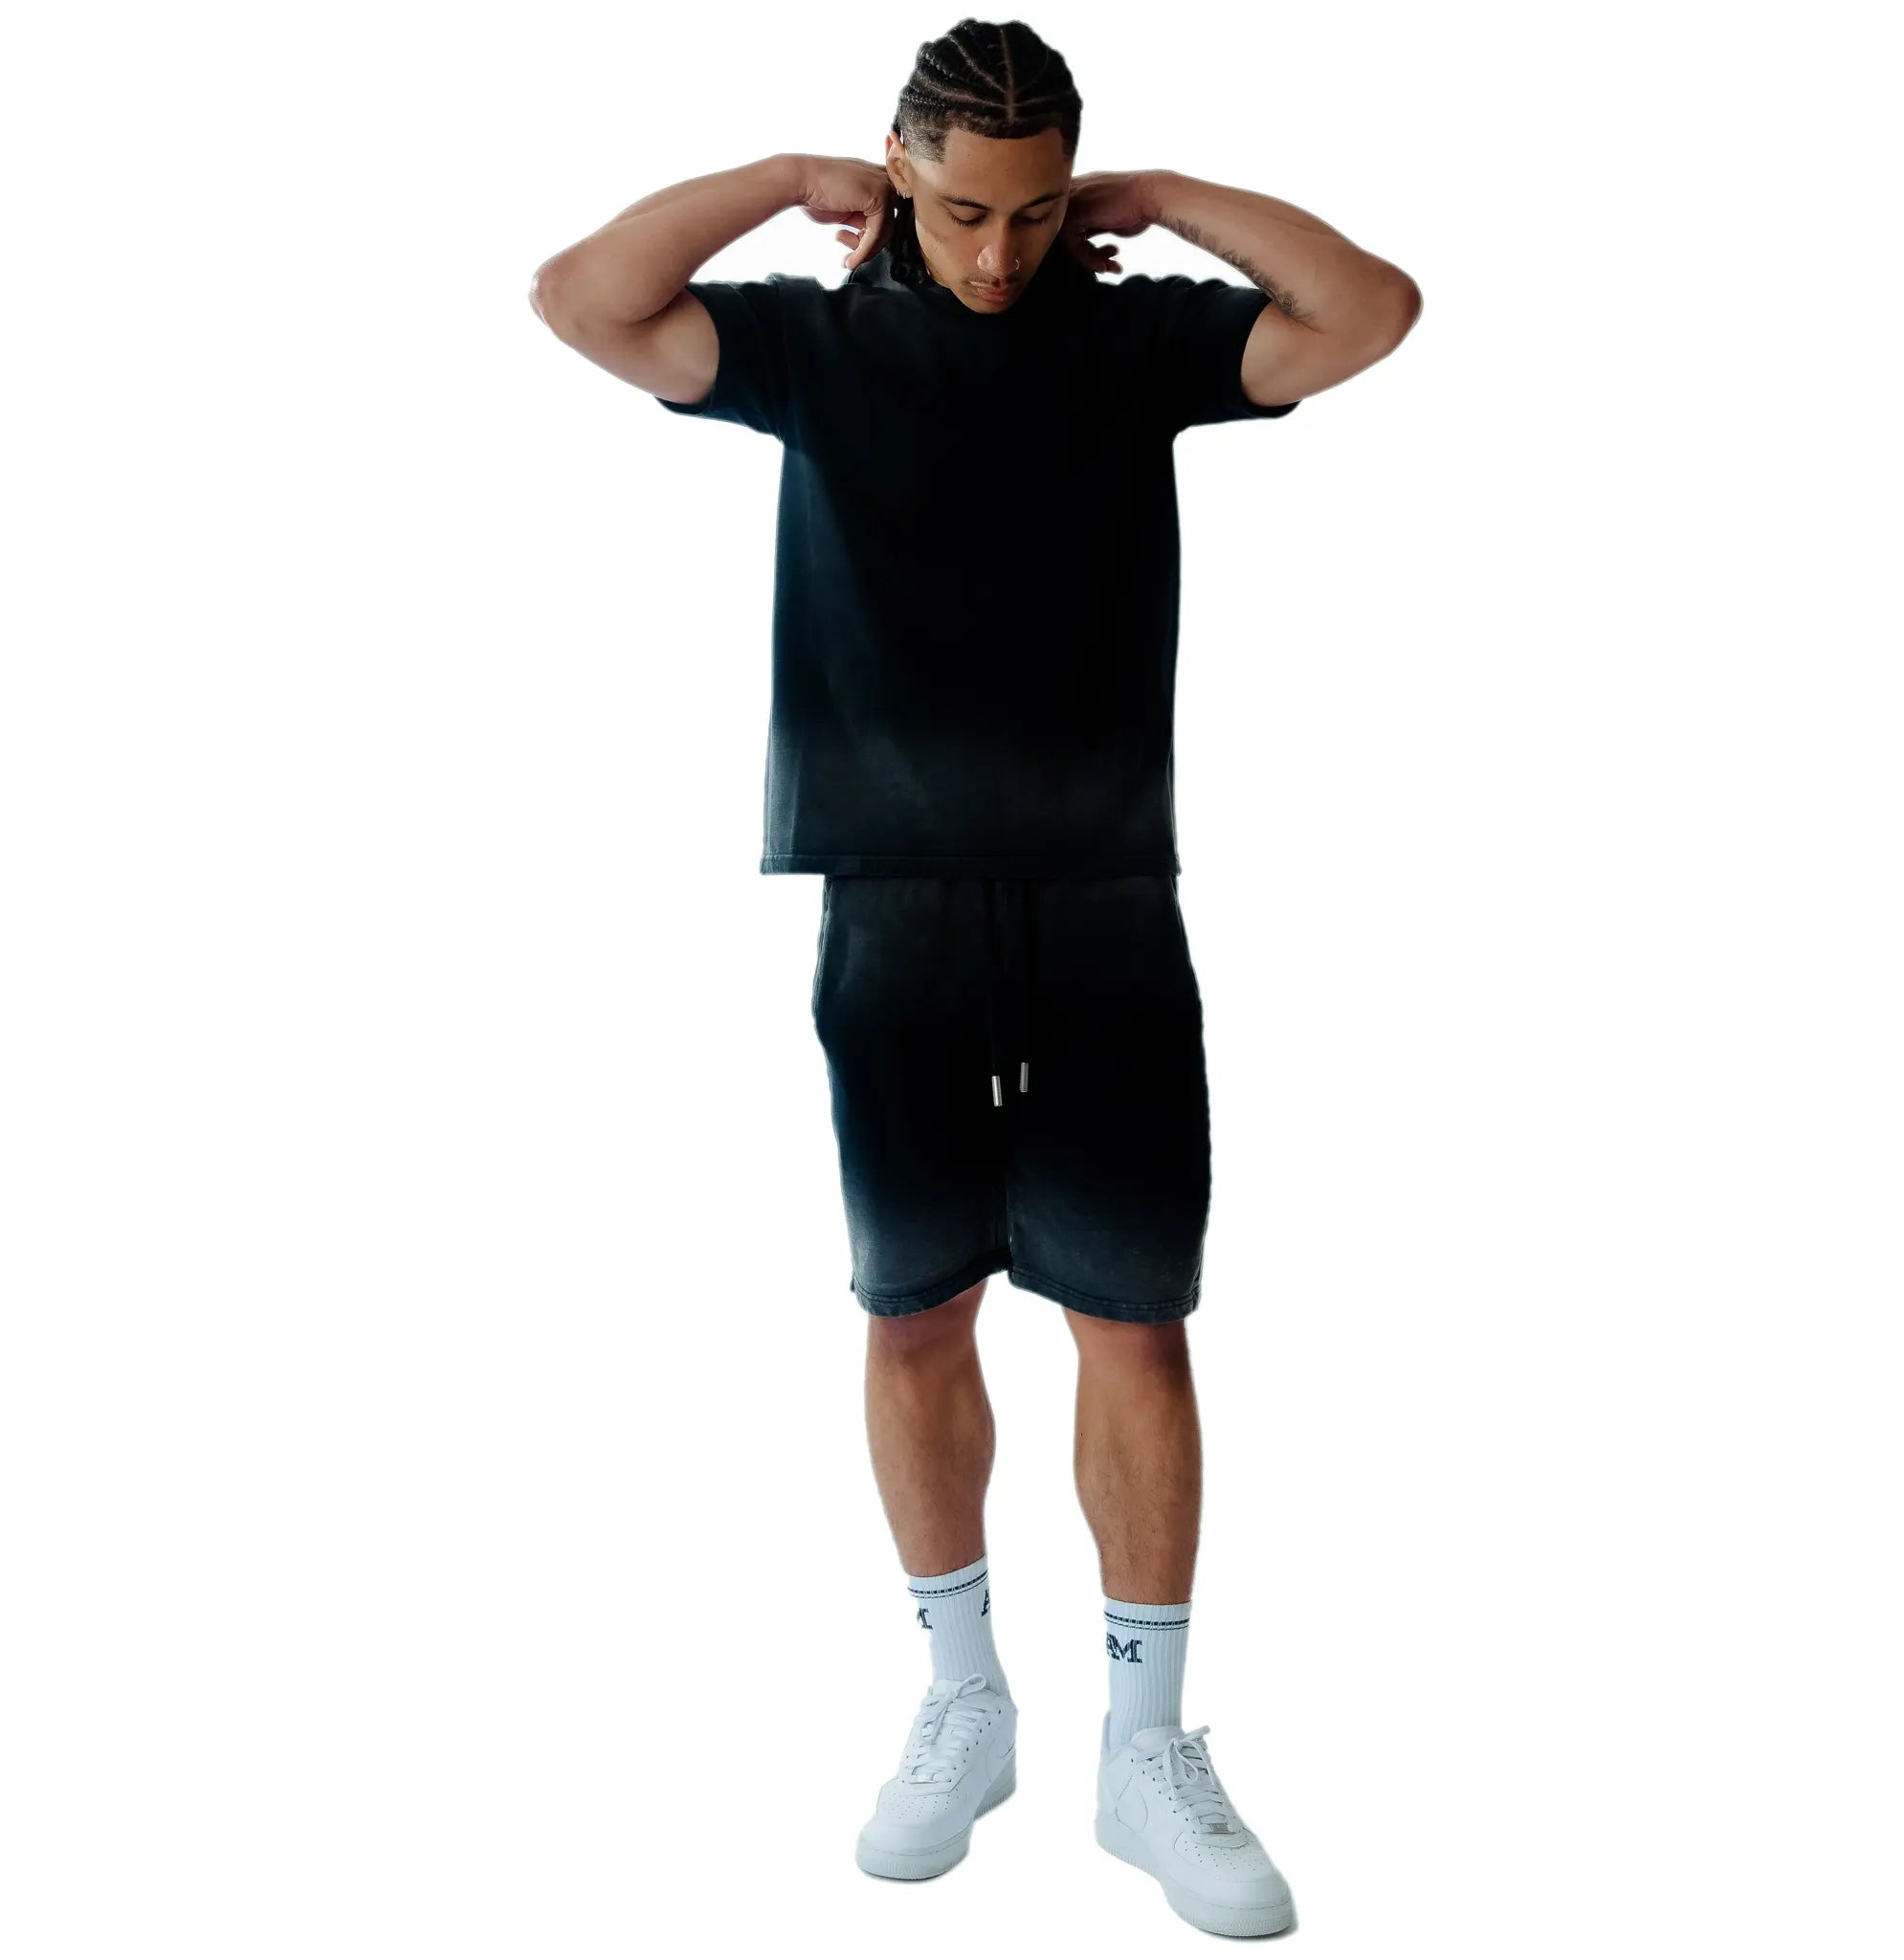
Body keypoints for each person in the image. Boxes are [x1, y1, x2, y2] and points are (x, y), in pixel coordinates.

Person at [531, 18, 1418, 1938]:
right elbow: (582, 299)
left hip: (1102, 897)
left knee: (1132, 1319)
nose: (998, 253)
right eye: (958, 210)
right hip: (892, 900)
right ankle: (962, 1701)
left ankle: (1146, 1750)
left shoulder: (1129, 343)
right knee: (915, 1306)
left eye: (1032, 212)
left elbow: (1368, 312)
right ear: (897, 175)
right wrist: (785, 178)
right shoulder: (813, 344)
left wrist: (1158, 197)